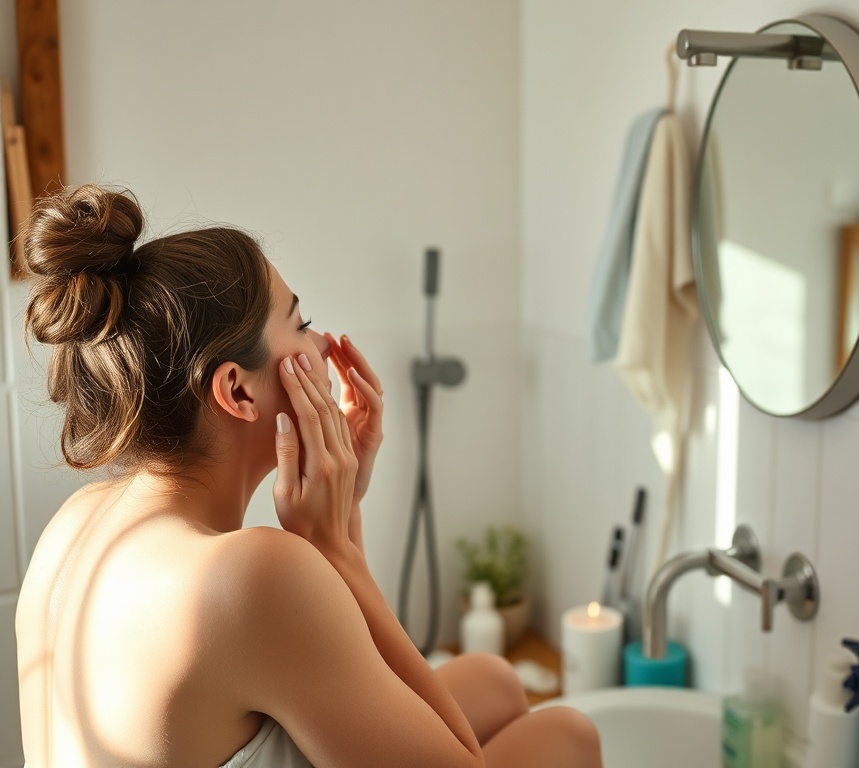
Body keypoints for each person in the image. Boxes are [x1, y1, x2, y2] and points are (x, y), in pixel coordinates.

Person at [15, 184, 602, 768]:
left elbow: (340, 658)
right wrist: (332, 550)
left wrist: (344, 516)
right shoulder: (249, 575)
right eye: (301, 324)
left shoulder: (76, 522)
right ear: (237, 390)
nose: (322, 344)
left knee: (493, 680)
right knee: (569, 734)